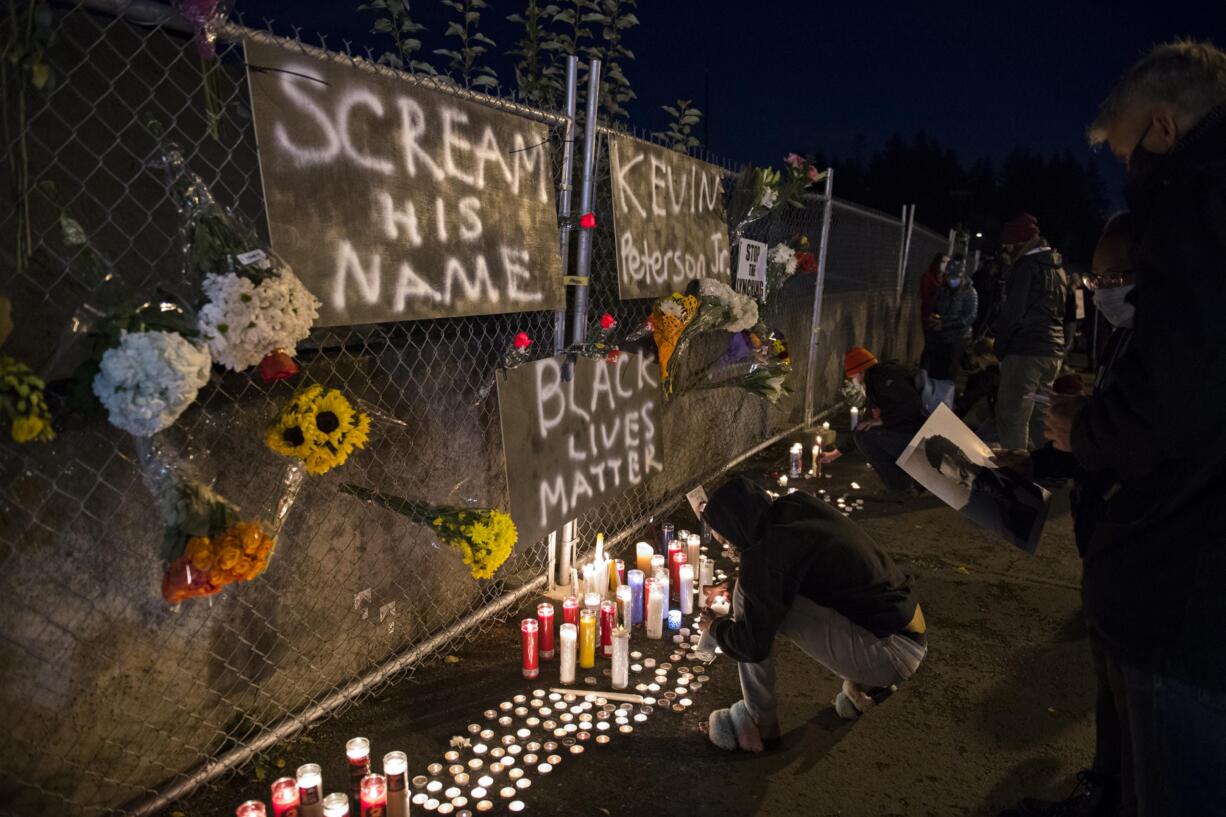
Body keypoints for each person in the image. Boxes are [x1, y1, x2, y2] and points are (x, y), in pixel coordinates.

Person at [1043, 41, 1226, 817]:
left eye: (1127, 154)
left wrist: (1084, 427)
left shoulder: (1197, 207)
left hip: (1182, 592)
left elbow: (1169, 403)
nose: (1130, 177)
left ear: (1162, 129)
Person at [999, 214, 1136, 817]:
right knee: (1110, 680)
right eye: (1099, 274)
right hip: (1110, 543)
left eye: (1118, 275)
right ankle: (1105, 785)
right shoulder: (1128, 336)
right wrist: (1037, 462)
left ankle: (1115, 792)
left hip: (1142, 548)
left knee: (1129, 683)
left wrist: (1084, 430)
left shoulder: (1176, 349)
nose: (1104, 286)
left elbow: (1141, 438)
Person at [699, 476, 927, 752]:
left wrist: (716, 629)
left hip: (890, 654)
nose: (719, 540)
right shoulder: (796, 507)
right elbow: (780, 569)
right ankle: (868, 687)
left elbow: (752, 644)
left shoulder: (767, 556)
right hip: (908, 632)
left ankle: (760, 724)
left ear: (734, 525)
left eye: (721, 534)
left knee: (747, 600)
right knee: (751, 591)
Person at [991, 214, 1070, 450]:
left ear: (1018, 243)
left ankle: (1014, 471)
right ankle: (1050, 467)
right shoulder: (1058, 267)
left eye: (1007, 245)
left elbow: (1012, 314)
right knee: (1040, 413)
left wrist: (1000, 349)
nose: (1005, 250)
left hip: (1025, 350)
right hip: (1051, 350)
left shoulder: (1026, 267)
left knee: (1012, 413)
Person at [845, 346, 926, 495]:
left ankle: (901, 487)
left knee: (866, 437)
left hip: (919, 438)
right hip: (911, 433)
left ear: (860, 372)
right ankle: (905, 484)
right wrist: (837, 452)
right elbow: (865, 424)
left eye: (853, 377)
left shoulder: (885, 379)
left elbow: (912, 405)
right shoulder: (876, 381)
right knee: (864, 434)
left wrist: (882, 421)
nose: (854, 382)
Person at [927, 256, 979, 387]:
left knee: (949, 374)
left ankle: (945, 402)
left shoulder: (970, 292)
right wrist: (934, 318)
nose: (951, 280)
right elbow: (937, 308)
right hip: (940, 337)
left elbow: (970, 317)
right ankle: (933, 400)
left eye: (955, 276)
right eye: (949, 276)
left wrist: (945, 325)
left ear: (962, 276)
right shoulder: (943, 290)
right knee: (934, 371)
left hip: (958, 339)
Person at [919, 252, 950, 368]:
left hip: (942, 317)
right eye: (943, 262)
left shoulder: (946, 278)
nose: (945, 265)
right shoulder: (928, 276)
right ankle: (923, 371)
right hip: (930, 315)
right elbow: (925, 296)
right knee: (929, 345)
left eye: (947, 262)